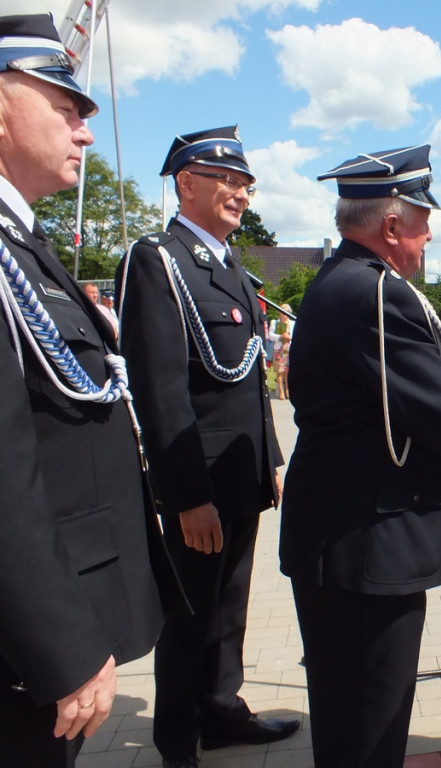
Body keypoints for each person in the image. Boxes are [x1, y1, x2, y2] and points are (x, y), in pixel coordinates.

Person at [279, 145, 441, 768]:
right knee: (369, 722)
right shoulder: (377, 294)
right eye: (422, 220)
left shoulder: (345, 281)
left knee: (350, 710)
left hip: (344, 535)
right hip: (366, 544)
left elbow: (387, 392)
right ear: (391, 226)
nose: (429, 235)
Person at [0, 13, 177, 766]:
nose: (84, 133)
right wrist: (61, 644)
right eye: (66, 109)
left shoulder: (23, 246)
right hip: (27, 648)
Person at [117, 126, 297, 768]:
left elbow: (248, 377)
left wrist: (269, 459)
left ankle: (221, 711)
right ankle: (175, 739)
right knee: (191, 612)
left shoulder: (230, 265)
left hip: (239, 471)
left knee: (230, 602)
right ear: (185, 182)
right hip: (198, 478)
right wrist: (186, 495)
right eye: (227, 180)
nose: (241, 194)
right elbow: (161, 389)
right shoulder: (158, 260)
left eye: (245, 184)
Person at [270, 305, 292, 400]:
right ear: (280, 312)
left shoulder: (292, 323)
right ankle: (281, 391)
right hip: (279, 349)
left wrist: (290, 337)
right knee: (280, 371)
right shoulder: (275, 322)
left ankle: (288, 390)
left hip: (289, 349)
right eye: (283, 312)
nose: (285, 315)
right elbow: (270, 335)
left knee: (287, 372)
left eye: (287, 313)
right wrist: (280, 337)